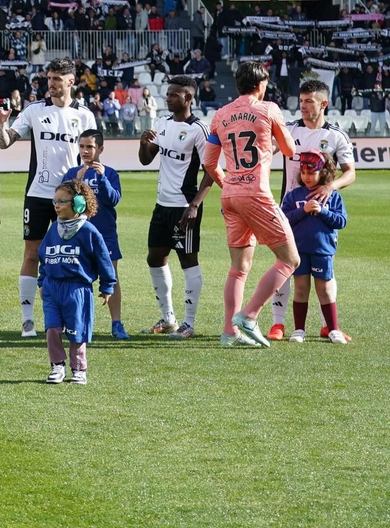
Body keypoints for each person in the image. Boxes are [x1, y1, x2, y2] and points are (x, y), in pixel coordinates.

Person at [183, 62, 297, 349]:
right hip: (256, 193)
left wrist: (229, 183)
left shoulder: (220, 115)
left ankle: (228, 333)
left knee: (238, 268)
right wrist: (268, 146)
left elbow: (209, 163)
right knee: (289, 260)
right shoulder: (268, 109)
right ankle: (249, 315)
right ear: (261, 84)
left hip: (230, 194)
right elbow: (289, 150)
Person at [0, 58, 97, 338]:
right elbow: (5, 142)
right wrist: (0, 126)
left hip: (72, 196)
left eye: (57, 79)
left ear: (71, 82)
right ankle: (28, 321)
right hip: (38, 194)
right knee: (31, 254)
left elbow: (93, 153)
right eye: (49, 79)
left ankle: (67, 317)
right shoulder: (34, 110)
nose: (51, 84)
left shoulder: (85, 115)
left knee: (71, 256)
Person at [270, 80, 357, 341]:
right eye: (301, 100)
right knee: (285, 264)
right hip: (289, 208)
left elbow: (350, 172)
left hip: (321, 212)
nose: (303, 106)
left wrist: (330, 187)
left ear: (324, 103)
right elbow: (266, 154)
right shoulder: (289, 130)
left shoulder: (336, 136)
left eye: (309, 101)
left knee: (324, 267)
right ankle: (278, 324)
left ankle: (327, 325)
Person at [136, 76, 208, 338]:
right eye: (167, 94)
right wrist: (144, 143)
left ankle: (189, 323)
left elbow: (211, 172)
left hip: (183, 206)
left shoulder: (199, 130)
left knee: (188, 260)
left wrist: (195, 205)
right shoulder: (162, 123)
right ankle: (168, 319)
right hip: (162, 205)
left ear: (188, 98)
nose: (167, 98)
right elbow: (146, 160)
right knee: (154, 258)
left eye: (173, 95)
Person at [37, 178, 116, 385]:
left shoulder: (88, 231)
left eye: (62, 201)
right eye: (55, 201)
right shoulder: (53, 229)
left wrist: (107, 286)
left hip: (77, 289)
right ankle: (57, 366)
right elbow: (43, 257)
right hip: (53, 288)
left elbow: (103, 261)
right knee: (52, 329)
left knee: (76, 331)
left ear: (79, 203)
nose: (56, 205)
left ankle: (79, 369)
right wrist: (42, 281)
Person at [60, 130, 126, 339]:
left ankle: (116, 324)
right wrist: (76, 183)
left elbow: (113, 200)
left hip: (104, 235)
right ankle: (72, 323)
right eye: (82, 146)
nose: (85, 151)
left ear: (100, 149)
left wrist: (102, 178)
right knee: (74, 279)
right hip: (77, 235)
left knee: (111, 277)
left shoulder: (110, 173)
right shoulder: (72, 172)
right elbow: (63, 201)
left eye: (90, 147)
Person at [280, 152, 349, 344]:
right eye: (303, 172)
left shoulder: (332, 196)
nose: (306, 176)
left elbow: (341, 221)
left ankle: (333, 329)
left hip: (323, 250)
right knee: (301, 289)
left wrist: (323, 211)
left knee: (325, 290)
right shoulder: (293, 195)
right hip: (299, 250)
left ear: (323, 172)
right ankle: (299, 330)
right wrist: (304, 210)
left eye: (311, 172)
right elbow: (284, 219)